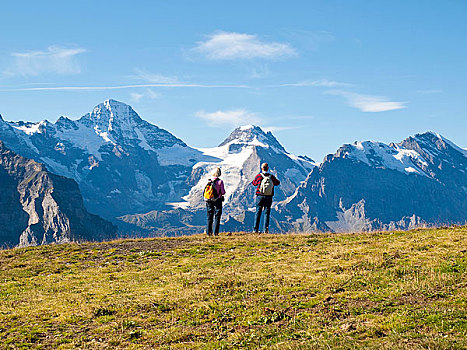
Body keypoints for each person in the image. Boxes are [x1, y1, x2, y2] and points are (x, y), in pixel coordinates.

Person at [251, 163, 280, 233]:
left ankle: (255, 230)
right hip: (269, 196)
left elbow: (254, 183)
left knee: (258, 212)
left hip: (260, 196)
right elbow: (277, 183)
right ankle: (265, 230)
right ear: (267, 168)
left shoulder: (258, 176)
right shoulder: (271, 177)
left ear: (261, 168)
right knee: (267, 212)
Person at [205, 167, 226, 236]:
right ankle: (215, 233)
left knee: (209, 216)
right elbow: (223, 192)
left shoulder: (209, 181)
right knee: (217, 216)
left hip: (209, 200)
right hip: (218, 200)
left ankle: (208, 233)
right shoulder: (220, 182)